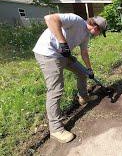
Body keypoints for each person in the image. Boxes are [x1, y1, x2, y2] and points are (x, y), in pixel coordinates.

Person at [33, 13, 107, 143]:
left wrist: (89, 69)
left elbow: (84, 53)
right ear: (96, 28)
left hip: (63, 55)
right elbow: (49, 18)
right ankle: (55, 129)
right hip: (48, 53)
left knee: (82, 72)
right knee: (56, 90)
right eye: (100, 33)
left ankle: (84, 97)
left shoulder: (85, 36)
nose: (98, 35)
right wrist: (62, 43)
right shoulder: (76, 20)